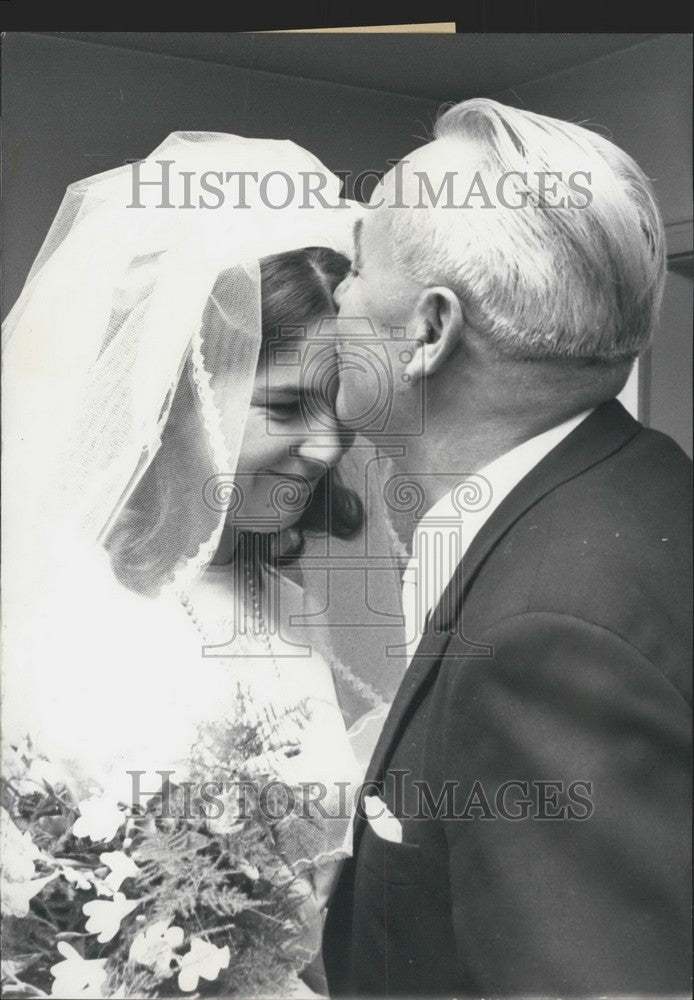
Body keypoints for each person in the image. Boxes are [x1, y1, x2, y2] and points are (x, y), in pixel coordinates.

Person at [323, 98, 692, 997]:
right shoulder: (645, 486)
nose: (336, 295)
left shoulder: (549, 630)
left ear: (428, 330)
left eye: (358, 265)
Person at [0, 133, 386, 989]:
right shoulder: (52, 603)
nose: (325, 447)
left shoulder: (279, 603)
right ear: (188, 394)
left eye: (341, 409)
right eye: (285, 406)